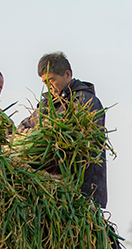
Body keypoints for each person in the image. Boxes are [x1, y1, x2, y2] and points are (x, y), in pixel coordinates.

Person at [19, 52, 108, 208]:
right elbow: (23, 127)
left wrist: (38, 134)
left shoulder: (85, 101)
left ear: (67, 75)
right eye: (45, 82)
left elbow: (62, 133)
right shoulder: (48, 104)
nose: (49, 86)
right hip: (55, 190)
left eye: (52, 80)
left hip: (83, 190)